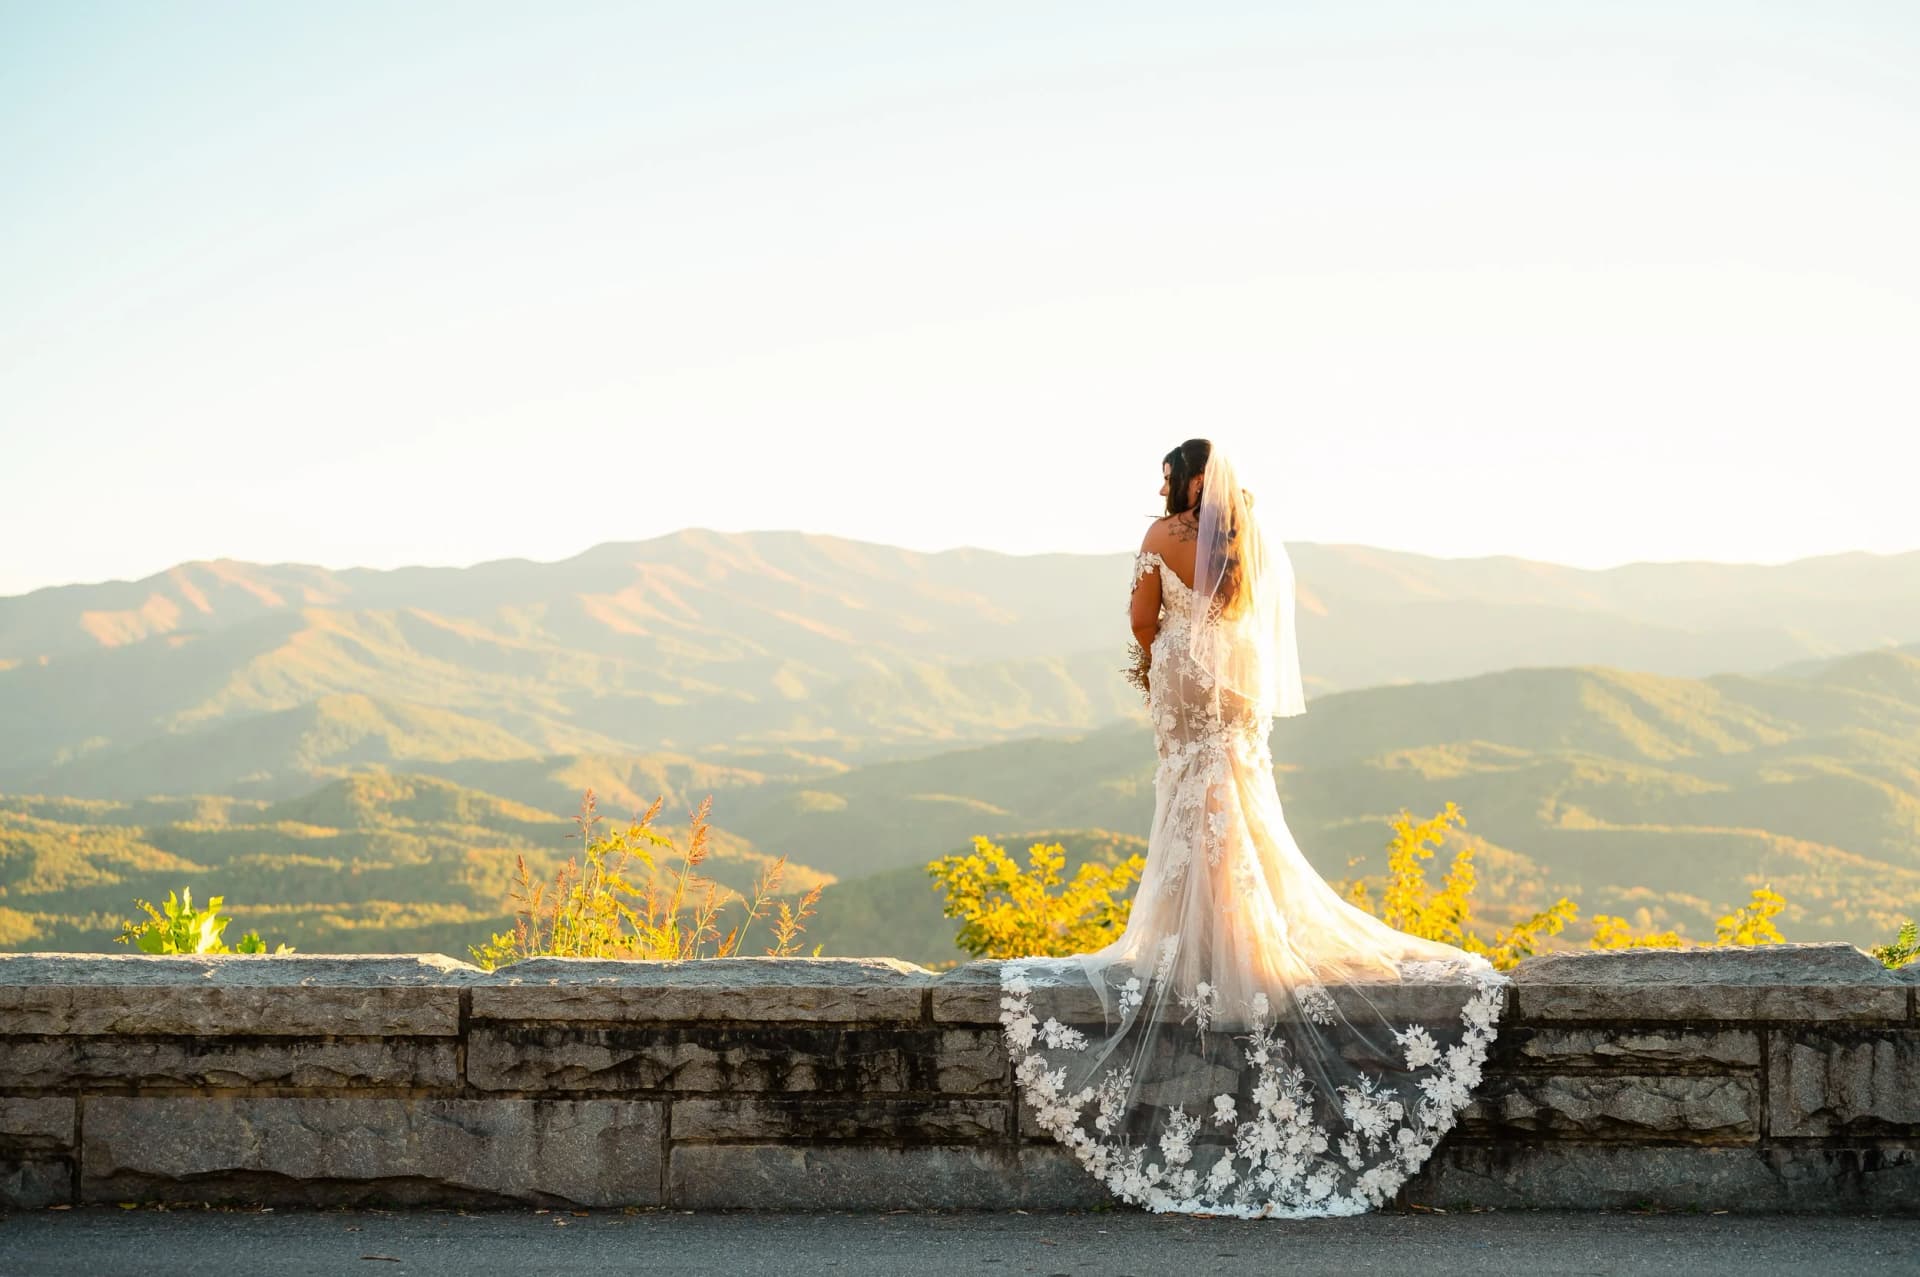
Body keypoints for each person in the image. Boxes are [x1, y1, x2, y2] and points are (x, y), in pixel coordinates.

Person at [999, 438, 1504, 1218]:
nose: (1162, 484)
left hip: (1183, 680)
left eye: (1168, 472)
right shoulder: (1251, 541)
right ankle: (1239, 935)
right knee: (1235, 798)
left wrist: (1155, 653)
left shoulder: (1162, 538)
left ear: (1187, 476)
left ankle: (1195, 944)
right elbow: (1257, 618)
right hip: (1237, 679)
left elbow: (1143, 617)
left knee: (1188, 801)